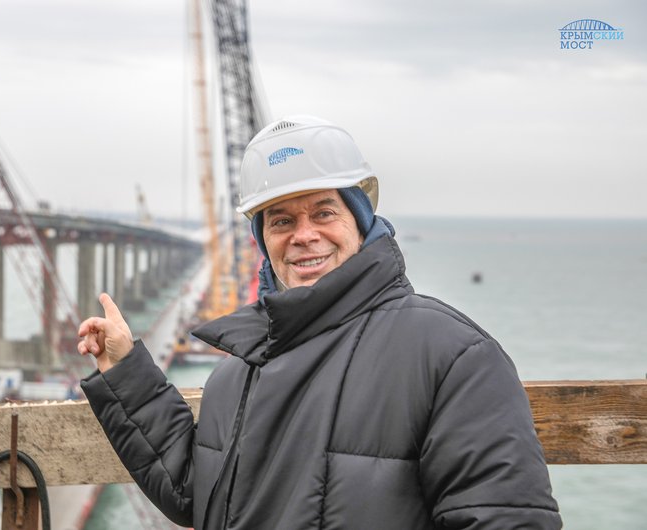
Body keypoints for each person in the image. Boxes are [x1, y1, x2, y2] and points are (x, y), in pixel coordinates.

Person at [78, 115, 562, 529]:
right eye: (281, 221)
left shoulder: (452, 357)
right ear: (263, 240)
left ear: (361, 221)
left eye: (324, 212)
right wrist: (125, 370)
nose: (304, 235)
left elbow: (504, 517)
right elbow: (195, 490)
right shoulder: (238, 372)